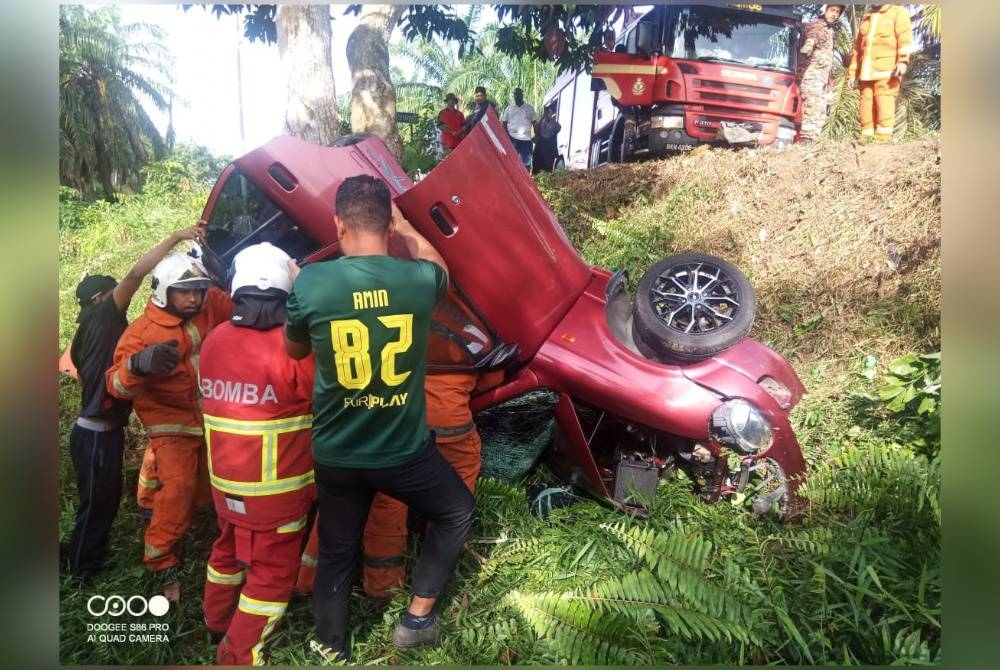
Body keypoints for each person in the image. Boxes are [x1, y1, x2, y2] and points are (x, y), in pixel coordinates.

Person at [284, 175, 474, 661]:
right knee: (455, 510)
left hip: (337, 453)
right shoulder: (416, 281)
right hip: (404, 455)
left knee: (337, 550)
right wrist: (409, 228)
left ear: (338, 224)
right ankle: (417, 619)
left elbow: (295, 349)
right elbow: (441, 268)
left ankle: (331, 646)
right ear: (388, 225)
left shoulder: (310, 282)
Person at [62, 225, 204, 579]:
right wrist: (176, 237)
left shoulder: (85, 332)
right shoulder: (104, 316)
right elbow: (136, 274)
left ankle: (79, 553)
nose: (123, 296)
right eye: (114, 292)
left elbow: (80, 368)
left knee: (100, 502)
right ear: (100, 298)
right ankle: (81, 570)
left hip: (96, 431)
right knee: (99, 504)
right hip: (97, 433)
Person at [200, 243, 316, 665]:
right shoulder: (295, 348)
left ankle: (215, 620)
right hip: (277, 493)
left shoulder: (214, 341)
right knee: (271, 575)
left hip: (225, 484)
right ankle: (238, 654)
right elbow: (326, 399)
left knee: (226, 550)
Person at [106, 240, 233, 594]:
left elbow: (239, 309)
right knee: (179, 488)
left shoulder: (208, 305)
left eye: (198, 290)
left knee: (209, 481)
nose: (193, 298)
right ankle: (160, 560)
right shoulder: (141, 334)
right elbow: (115, 386)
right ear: (164, 292)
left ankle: (154, 503)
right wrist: (137, 365)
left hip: (210, 418)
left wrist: (225, 280)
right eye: (185, 292)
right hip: (171, 424)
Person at [847, 4, 914, 142]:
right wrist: (852, 72)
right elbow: (857, 49)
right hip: (866, 72)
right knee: (866, 103)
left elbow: (904, 39)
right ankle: (867, 137)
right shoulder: (867, 17)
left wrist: (902, 61)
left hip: (888, 71)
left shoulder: (898, 12)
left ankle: (883, 138)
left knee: (884, 100)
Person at [796, 4, 845, 143]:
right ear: (824, 9)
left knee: (821, 110)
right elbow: (812, 36)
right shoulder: (816, 26)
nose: (834, 14)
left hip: (821, 79)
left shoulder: (829, 31)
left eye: (837, 12)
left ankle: (812, 140)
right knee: (813, 107)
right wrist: (809, 45)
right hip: (811, 76)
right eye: (832, 10)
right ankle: (806, 139)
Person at [501, 87, 538, 170]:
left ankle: (525, 178)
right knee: (511, 163)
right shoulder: (509, 109)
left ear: (522, 95)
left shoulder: (529, 108)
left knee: (526, 164)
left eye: (519, 94)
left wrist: (536, 135)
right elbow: (504, 123)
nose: (517, 96)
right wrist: (507, 137)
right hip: (512, 139)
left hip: (526, 140)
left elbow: (535, 123)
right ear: (514, 96)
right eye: (515, 94)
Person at [532, 103, 562, 174]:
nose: (547, 113)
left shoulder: (554, 123)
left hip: (550, 153)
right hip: (539, 152)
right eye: (546, 112)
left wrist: (550, 117)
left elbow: (558, 128)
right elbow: (535, 129)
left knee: (548, 172)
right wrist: (543, 116)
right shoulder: (541, 123)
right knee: (536, 172)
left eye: (548, 112)